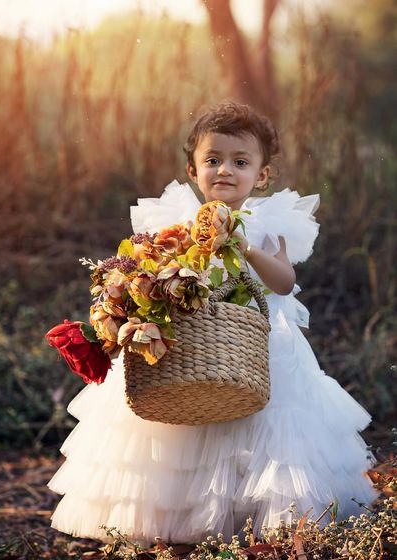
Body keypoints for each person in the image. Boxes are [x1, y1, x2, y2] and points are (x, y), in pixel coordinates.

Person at [48, 102, 378, 546]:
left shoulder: (267, 225)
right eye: (213, 160)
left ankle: (256, 523)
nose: (225, 170)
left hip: (257, 347)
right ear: (193, 169)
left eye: (241, 162)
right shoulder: (177, 222)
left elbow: (283, 283)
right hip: (194, 346)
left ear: (261, 175)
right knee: (183, 423)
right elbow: (157, 271)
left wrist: (245, 248)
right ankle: (181, 526)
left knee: (260, 425)